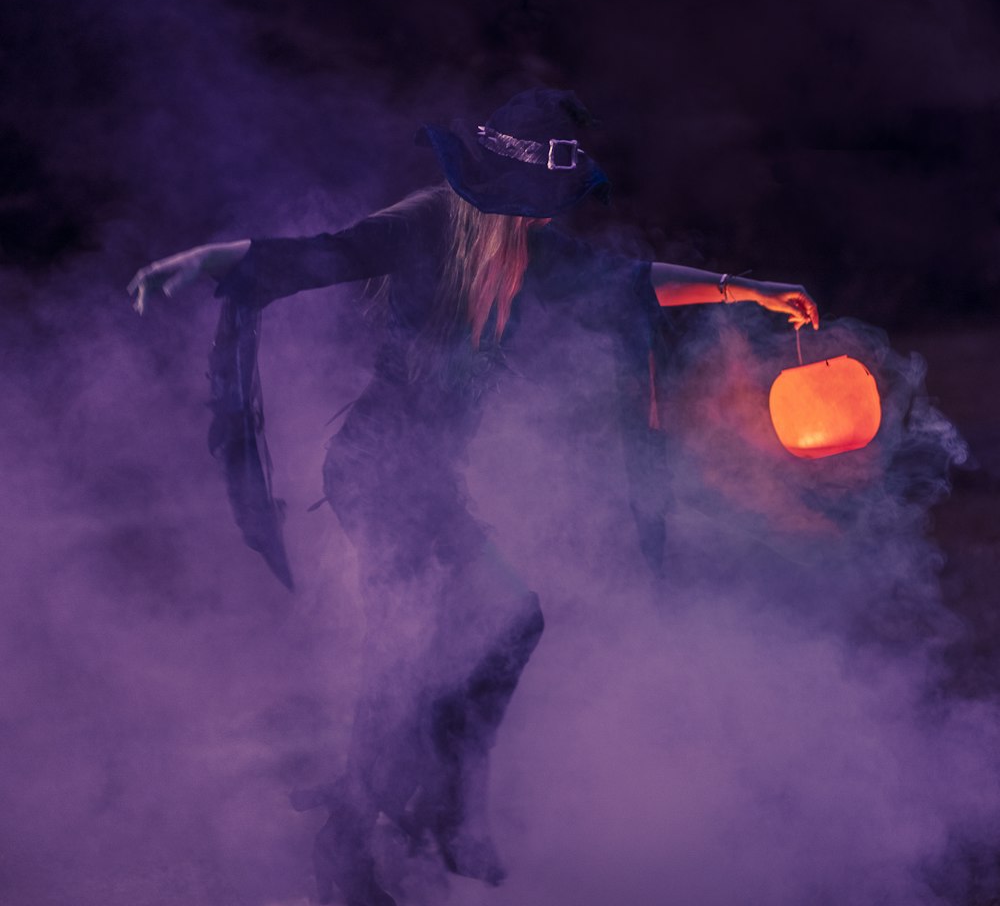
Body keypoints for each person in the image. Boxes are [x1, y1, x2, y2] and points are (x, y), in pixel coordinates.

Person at [128, 88, 818, 906]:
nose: (542, 220)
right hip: (377, 471)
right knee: (405, 648)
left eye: (549, 207)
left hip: (433, 483)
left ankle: (441, 802)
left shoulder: (537, 251)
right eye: (529, 206)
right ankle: (357, 844)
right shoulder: (424, 225)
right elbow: (311, 254)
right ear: (490, 194)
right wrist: (202, 260)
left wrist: (745, 288)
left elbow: (631, 284)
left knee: (506, 622)